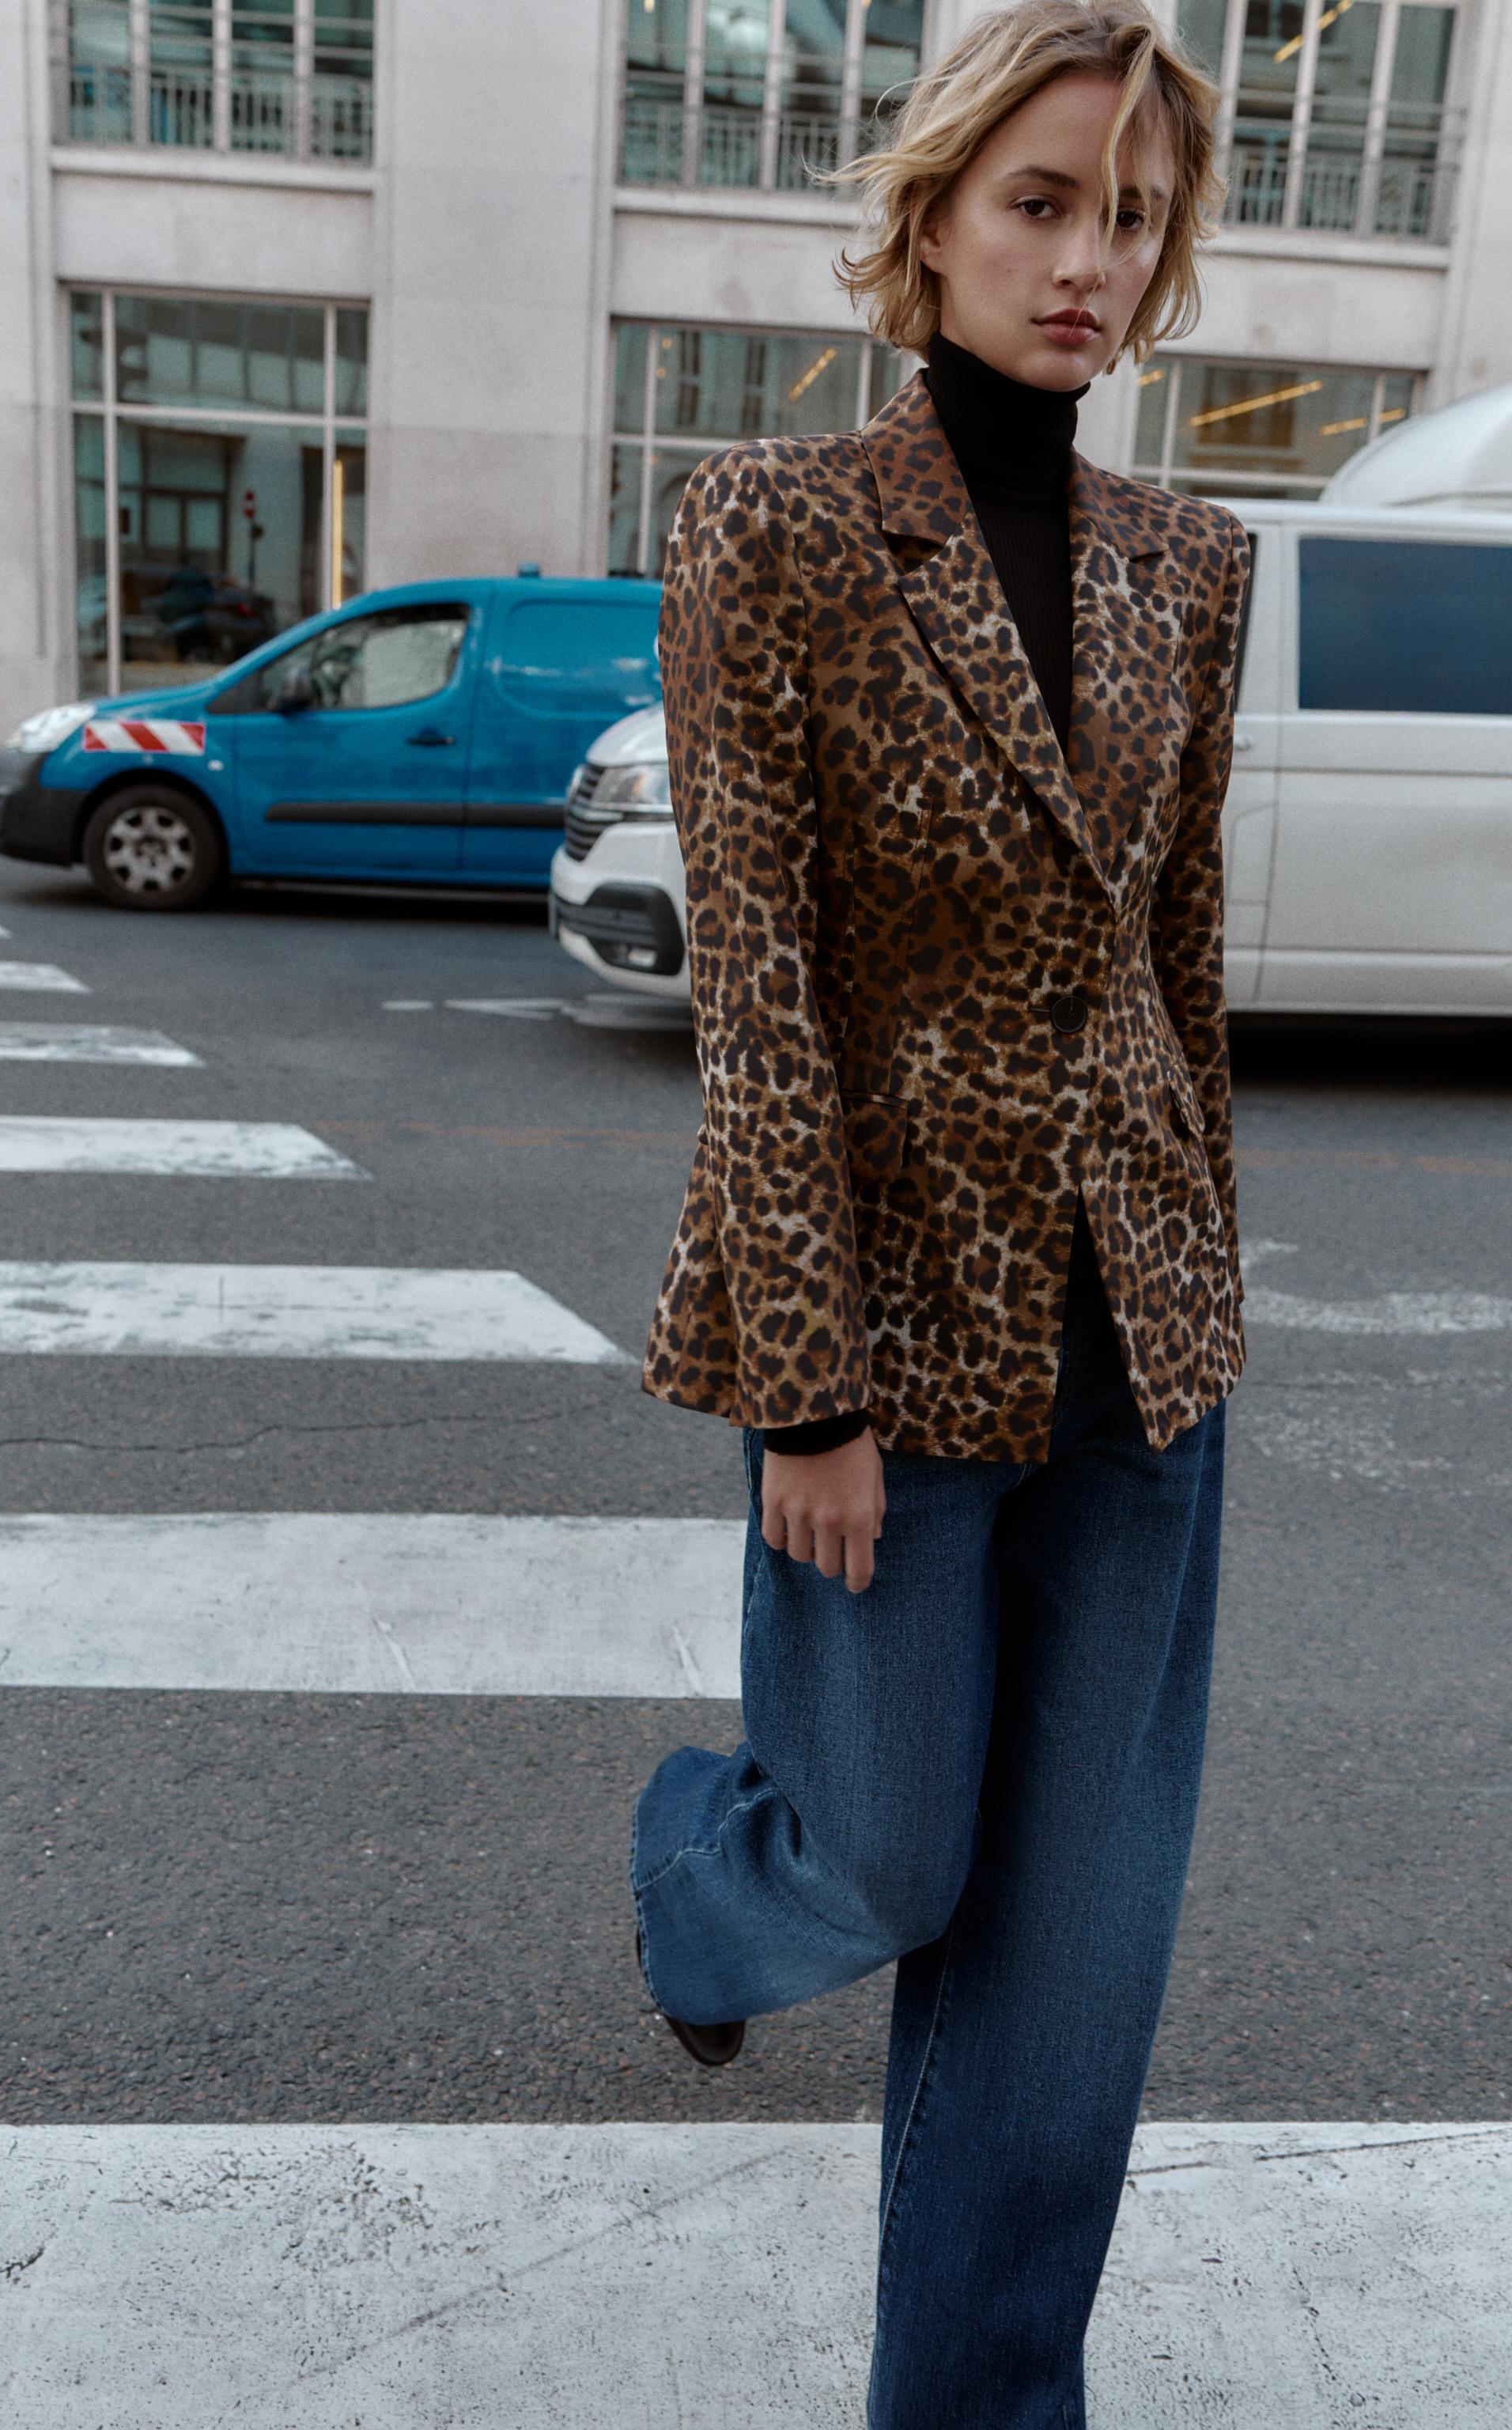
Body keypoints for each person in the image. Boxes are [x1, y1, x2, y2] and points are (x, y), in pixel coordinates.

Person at [629, 2, 1246, 2421]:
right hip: (880, 1345)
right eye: (1043, 200)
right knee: (884, 1862)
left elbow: (1179, 977)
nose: (1090, 260)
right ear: (932, 213)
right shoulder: (767, 528)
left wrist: (1207, 1298)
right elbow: (758, 987)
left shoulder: (1192, 558)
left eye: (1132, 215)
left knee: (1067, 1989)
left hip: (1145, 1357)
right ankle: (703, 1878)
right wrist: (807, 1384)